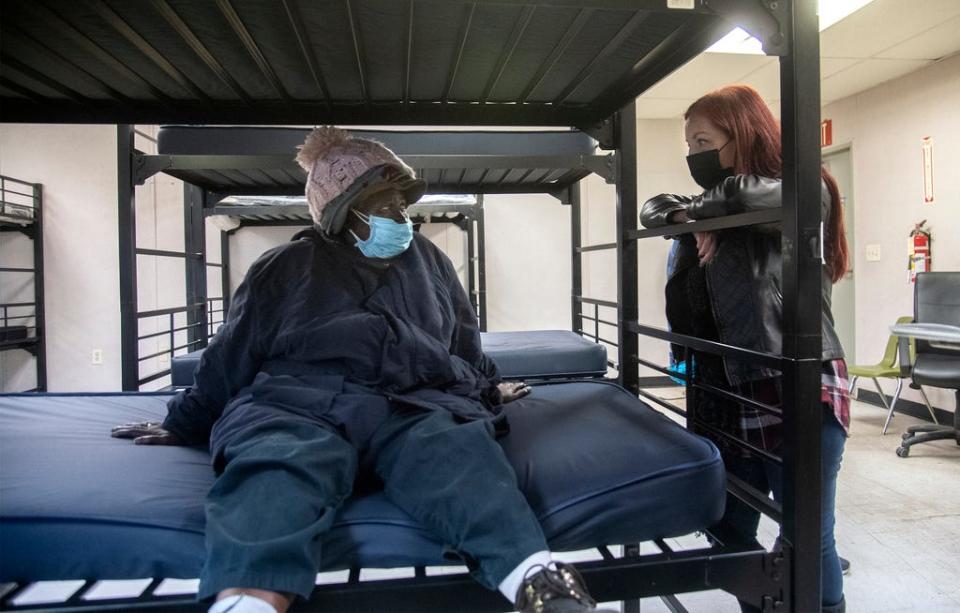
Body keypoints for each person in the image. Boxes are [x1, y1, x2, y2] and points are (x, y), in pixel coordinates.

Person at [112, 127, 613, 613]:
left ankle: (540, 582)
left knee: (460, 458)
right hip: (301, 404)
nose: (400, 216)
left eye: (401, 204)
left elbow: (463, 338)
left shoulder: (430, 260)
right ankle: (249, 600)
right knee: (275, 467)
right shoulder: (285, 266)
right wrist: (183, 422)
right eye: (382, 206)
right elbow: (230, 355)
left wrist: (487, 389)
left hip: (416, 402)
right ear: (339, 215)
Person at [640, 85, 849, 613]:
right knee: (728, 521)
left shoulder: (803, 185)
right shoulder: (722, 203)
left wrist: (701, 215)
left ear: (745, 133)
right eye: (688, 144)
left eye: (703, 140)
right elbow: (653, 207)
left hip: (792, 379)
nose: (693, 155)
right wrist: (689, 219)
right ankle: (763, 599)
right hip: (729, 385)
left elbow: (738, 198)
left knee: (806, 534)